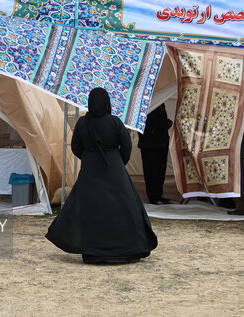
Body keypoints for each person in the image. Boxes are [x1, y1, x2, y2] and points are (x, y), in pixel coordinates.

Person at [45, 87, 158, 264]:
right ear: (107, 103)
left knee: (91, 209)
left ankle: (94, 250)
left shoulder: (83, 123)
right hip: (114, 168)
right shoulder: (114, 122)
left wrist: (89, 158)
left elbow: (76, 147)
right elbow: (127, 145)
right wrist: (118, 162)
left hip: (90, 170)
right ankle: (126, 249)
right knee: (125, 208)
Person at [138, 104, 173, 205]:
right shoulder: (146, 104)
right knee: (151, 171)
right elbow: (149, 123)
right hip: (150, 143)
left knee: (160, 170)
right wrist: (165, 124)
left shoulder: (160, 104)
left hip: (160, 142)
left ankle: (158, 195)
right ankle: (153, 197)